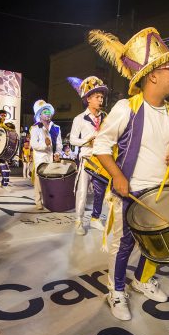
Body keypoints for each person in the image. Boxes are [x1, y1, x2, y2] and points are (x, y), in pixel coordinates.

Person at [89, 26, 169, 320]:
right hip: (130, 191)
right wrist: (117, 175)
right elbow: (101, 145)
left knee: (156, 242)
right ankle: (116, 291)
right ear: (153, 74)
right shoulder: (125, 107)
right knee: (124, 244)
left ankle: (143, 280)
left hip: (161, 190)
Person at [67, 75, 109, 235]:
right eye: (97, 97)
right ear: (88, 99)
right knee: (82, 191)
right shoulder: (79, 119)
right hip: (86, 160)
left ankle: (95, 219)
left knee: (100, 191)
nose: (101, 100)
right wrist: (87, 140)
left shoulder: (106, 117)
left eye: (102, 97)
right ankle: (78, 220)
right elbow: (72, 139)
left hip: (102, 160)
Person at [29, 100, 62, 210]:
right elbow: (33, 144)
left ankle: (49, 201)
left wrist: (58, 153)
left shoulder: (56, 128)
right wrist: (44, 144)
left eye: (48, 112)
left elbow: (59, 144)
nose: (47, 114)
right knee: (39, 180)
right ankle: (38, 201)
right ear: (40, 115)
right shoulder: (35, 128)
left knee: (51, 180)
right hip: (40, 158)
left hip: (52, 158)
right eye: (44, 112)